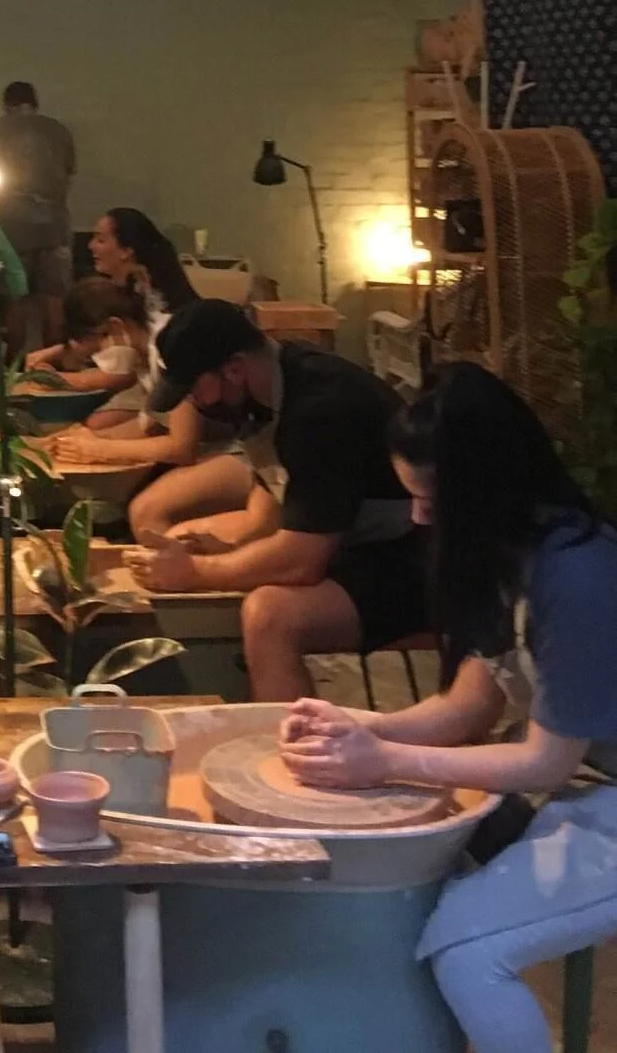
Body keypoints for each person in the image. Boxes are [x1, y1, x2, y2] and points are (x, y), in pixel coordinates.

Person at [280, 365, 617, 1053]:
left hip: (601, 798)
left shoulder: (579, 574)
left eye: (431, 499)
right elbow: (464, 707)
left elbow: (545, 758)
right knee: (416, 886)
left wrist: (383, 760)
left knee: (468, 953)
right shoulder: (506, 551)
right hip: (578, 788)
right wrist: (359, 726)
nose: (417, 517)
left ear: (484, 488)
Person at [125, 299, 428, 700]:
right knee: (195, 538)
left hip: (424, 556)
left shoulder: (320, 411)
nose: (196, 404)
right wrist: (214, 548)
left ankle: (290, 752)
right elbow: (265, 513)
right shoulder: (266, 394)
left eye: (196, 389)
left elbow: (302, 562)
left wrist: (196, 572)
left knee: (270, 615)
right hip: (356, 538)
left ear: (233, 369)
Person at [50, 213, 255, 540]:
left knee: (146, 511)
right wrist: (87, 441)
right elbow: (151, 420)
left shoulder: (169, 341)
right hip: (212, 437)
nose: (95, 358)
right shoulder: (146, 326)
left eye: (96, 343)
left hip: (250, 442)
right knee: (107, 456)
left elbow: (181, 446)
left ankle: (184, 579)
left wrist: (99, 450)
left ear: (115, 327)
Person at [0, 82, 77, 351]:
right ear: (35, 102)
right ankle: (57, 359)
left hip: (11, 224)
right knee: (56, 298)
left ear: (7, 104)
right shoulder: (59, 130)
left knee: (16, 297)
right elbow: (68, 173)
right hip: (55, 224)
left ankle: (16, 366)